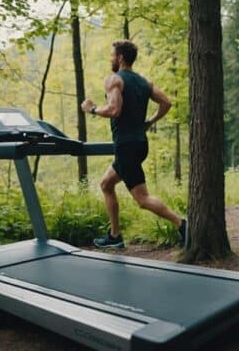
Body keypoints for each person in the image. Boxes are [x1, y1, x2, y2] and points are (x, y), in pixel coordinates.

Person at [81, 40, 189, 249]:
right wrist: (149, 122)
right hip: (139, 144)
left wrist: (92, 109)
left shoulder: (115, 80)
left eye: (113, 55)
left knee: (142, 199)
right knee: (106, 184)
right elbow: (166, 102)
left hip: (126, 146)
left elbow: (114, 110)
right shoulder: (143, 82)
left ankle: (183, 225)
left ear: (120, 57)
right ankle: (115, 236)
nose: (111, 58)